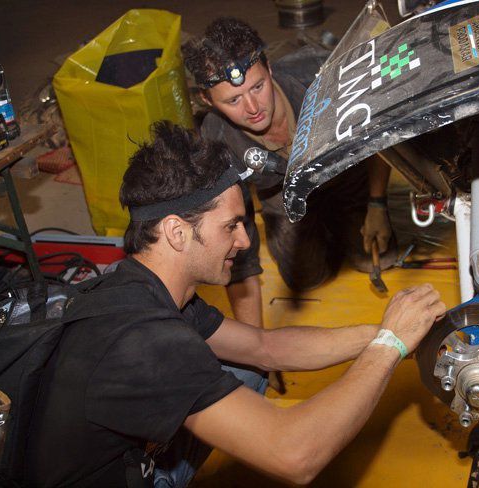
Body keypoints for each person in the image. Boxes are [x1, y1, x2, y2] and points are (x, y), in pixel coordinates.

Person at [24, 121, 445, 487]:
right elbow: (295, 455)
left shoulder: (150, 288)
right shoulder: (144, 343)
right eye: (231, 226)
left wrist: (391, 332)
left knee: (244, 368)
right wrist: (389, 346)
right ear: (176, 232)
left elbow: (266, 348)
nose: (244, 241)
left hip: (123, 460)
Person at [182, 17, 397, 331]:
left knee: (376, 258)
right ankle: (316, 227)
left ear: (269, 68)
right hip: (282, 197)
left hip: (343, 173)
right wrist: (254, 344)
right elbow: (237, 233)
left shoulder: (323, 75)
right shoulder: (216, 141)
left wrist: (377, 203)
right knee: (307, 279)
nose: (254, 107)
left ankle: (347, 215)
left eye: (258, 86)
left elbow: (384, 127)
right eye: (233, 99)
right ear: (207, 101)